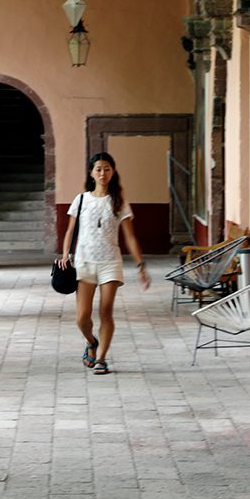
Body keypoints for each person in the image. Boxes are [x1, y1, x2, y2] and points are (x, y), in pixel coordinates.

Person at [56, 151, 150, 375]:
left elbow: (130, 237)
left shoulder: (119, 202)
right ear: (91, 173)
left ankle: (101, 359)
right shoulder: (81, 200)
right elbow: (70, 230)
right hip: (84, 261)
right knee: (82, 317)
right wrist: (65, 255)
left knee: (106, 312)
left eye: (107, 169)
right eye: (98, 169)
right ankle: (91, 341)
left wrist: (140, 266)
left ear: (113, 171)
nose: (103, 173)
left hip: (110, 262)